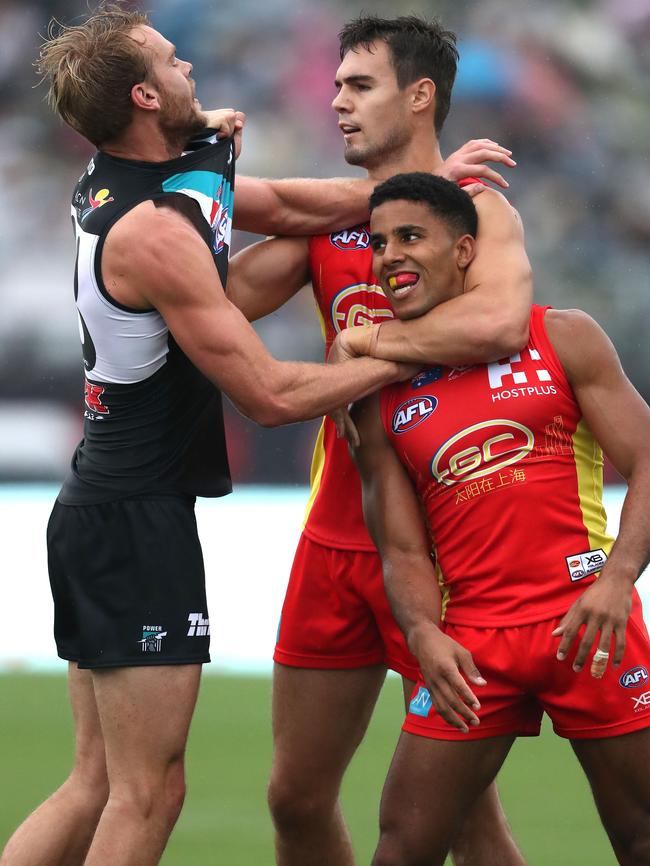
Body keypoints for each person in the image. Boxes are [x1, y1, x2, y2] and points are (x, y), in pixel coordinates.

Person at [0, 9, 428, 866]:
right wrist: (403, 355)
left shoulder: (165, 165)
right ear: (146, 96)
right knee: (146, 793)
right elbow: (268, 394)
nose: (191, 61)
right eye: (170, 58)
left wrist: (428, 188)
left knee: (94, 784)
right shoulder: (153, 231)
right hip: (132, 521)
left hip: (108, 508)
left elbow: (279, 202)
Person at [227, 14, 531, 866]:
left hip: (444, 553)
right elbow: (206, 299)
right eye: (333, 87)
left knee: (469, 824)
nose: (336, 104)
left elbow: (503, 321)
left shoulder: (475, 212)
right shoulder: (330, 222)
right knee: (294, 797)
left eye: (358, 86)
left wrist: (364, 348)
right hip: (334, 540)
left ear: (420, 94)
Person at [349, 171, 650, 866]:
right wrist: (423, 633)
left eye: (410, 236)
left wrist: (616, 582)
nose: (388, 255)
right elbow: (400, 546)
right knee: (403, 845)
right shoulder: (379, 389)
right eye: (379, 242)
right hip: (475, 644)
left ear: (463, 251)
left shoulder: (562, 337)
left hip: (589, 625)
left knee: (641, 839)